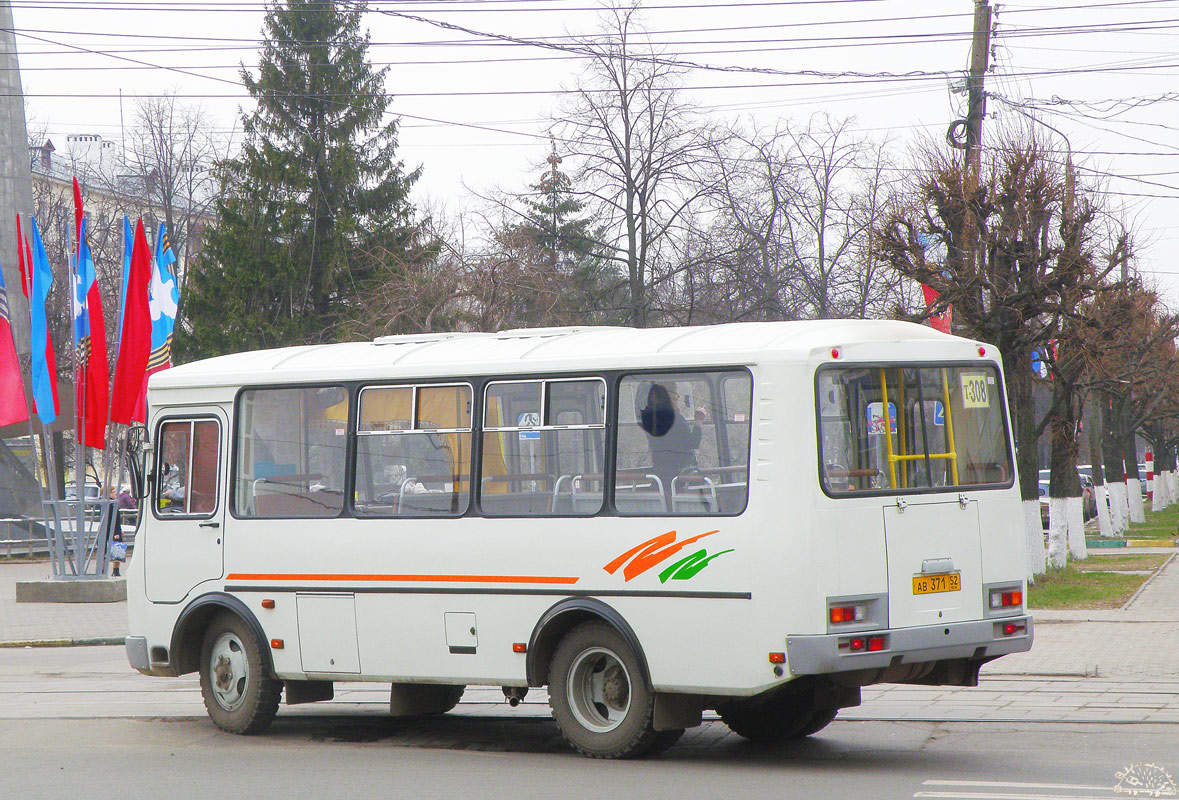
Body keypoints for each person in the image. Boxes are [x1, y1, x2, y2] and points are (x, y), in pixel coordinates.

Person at [639, 384, 704, 497]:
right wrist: (698, 421)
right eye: (675, 394)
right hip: (677, 476)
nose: (678, 397)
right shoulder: (673, 418)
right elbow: (693, 442)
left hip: (662, 475)